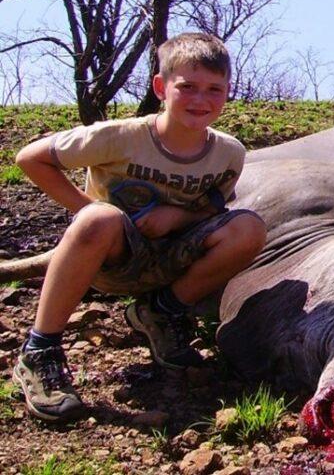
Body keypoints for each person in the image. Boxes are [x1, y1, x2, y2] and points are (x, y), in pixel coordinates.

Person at [13, 32, 267, 422]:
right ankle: (40, 349)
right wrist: (89, 211)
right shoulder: (119, 137)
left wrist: (177, 217)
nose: (201, 99)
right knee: (99, 219)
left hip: (172, 258)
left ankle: (162, 313)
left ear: (227, 93)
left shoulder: (229, 153)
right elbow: (29, 158)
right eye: (187, 87)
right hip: (111, 257)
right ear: (161, 88)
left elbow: (213, 207)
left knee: (248, 227)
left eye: (214, 89)